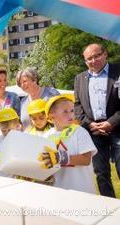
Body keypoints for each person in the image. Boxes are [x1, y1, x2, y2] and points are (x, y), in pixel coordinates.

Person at [74, 43, 120, 197]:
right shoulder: (79, 78)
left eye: (96, 56)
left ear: (105, 54)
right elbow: (77, 106)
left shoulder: (118, 71)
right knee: (101, 174)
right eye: (89, 59)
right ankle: (111, 210)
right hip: (94, 132)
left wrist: (110, 123)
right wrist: (90, 124)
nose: (93, 60)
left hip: (117, 128)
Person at [38, 94, 97, 194]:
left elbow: (86, 159)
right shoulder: (46, 136)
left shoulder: (79, 131)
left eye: (72, 110)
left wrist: (60, 158)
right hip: (58, 191)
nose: (71, 115)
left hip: (82, 191)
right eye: (65, 112)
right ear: (52, 117)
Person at [0, 108, 22, 177]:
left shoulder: (21, 140)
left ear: (17, 125)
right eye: (3, 130)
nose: (7, 133)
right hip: (1, 177)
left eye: (9, 130)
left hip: (17, 179)